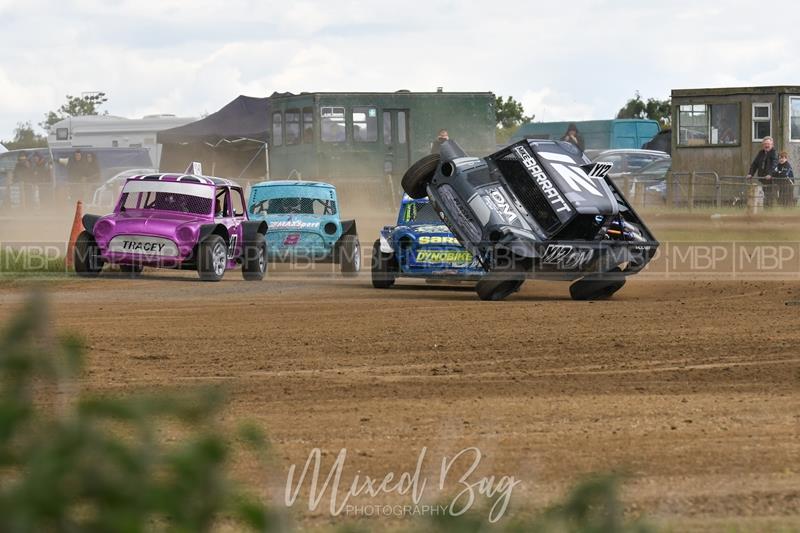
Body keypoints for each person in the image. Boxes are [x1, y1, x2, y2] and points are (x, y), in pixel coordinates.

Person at [747, 136, 779, 207]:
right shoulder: (761, 153)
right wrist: (750, 173)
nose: (766, 145)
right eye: (765, 144)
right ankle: (766, 210)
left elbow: (774, 164)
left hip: (772, 179)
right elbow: (755, 164)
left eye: (768, 144)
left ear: (772, 144)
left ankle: (769, 211)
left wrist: (770, 174)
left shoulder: (774, 153)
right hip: (763, 178)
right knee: (765, 194)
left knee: (770, 195)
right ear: (763, 145)